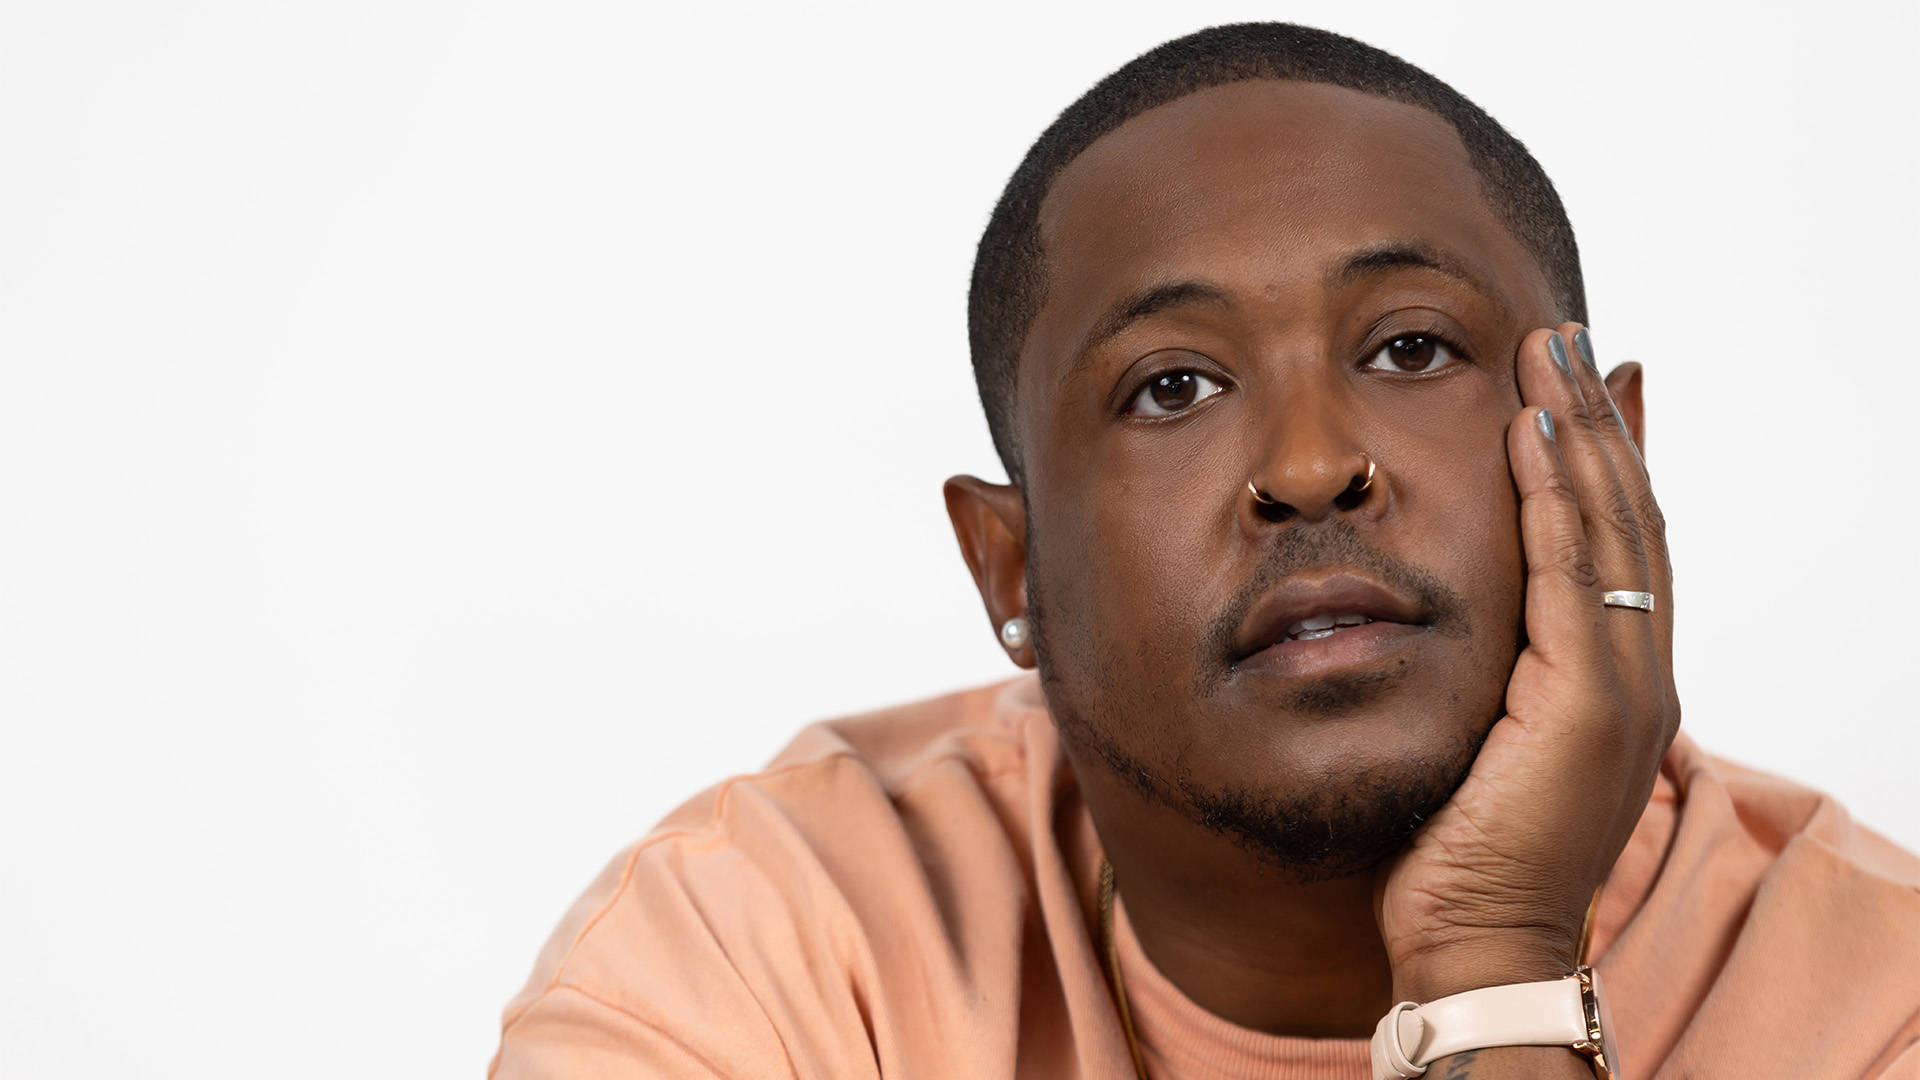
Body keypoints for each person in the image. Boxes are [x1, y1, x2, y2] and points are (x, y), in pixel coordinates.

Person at [489, 22, 1920, 1079]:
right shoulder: (766, 948)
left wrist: (1494, 961)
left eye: (1412, 347)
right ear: (1011, 569)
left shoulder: (1879, 1002)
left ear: (1608, 453)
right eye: (1172, 386)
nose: (1309, 470)